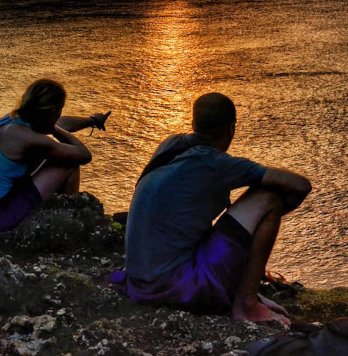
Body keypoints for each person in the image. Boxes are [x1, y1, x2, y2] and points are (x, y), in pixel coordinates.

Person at [111, 93, 311, 325]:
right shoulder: (213, 163)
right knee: (270, 198)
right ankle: (246, 303)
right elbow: (300, 185)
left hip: (140, 281)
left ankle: (245, 291)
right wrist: (260, 226)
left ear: (193, 124)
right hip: (176, 286)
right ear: (231, 129)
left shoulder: (170, 146)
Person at [0, 78, 111, 244]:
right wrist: (55, 130)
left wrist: (92, 121)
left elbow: (62, 123)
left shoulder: (8, 123)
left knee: (47, 158)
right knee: (69, 163)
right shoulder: (27, 138)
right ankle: (68, 221)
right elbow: (84, 155)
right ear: (53, 112)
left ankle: (60, 215)